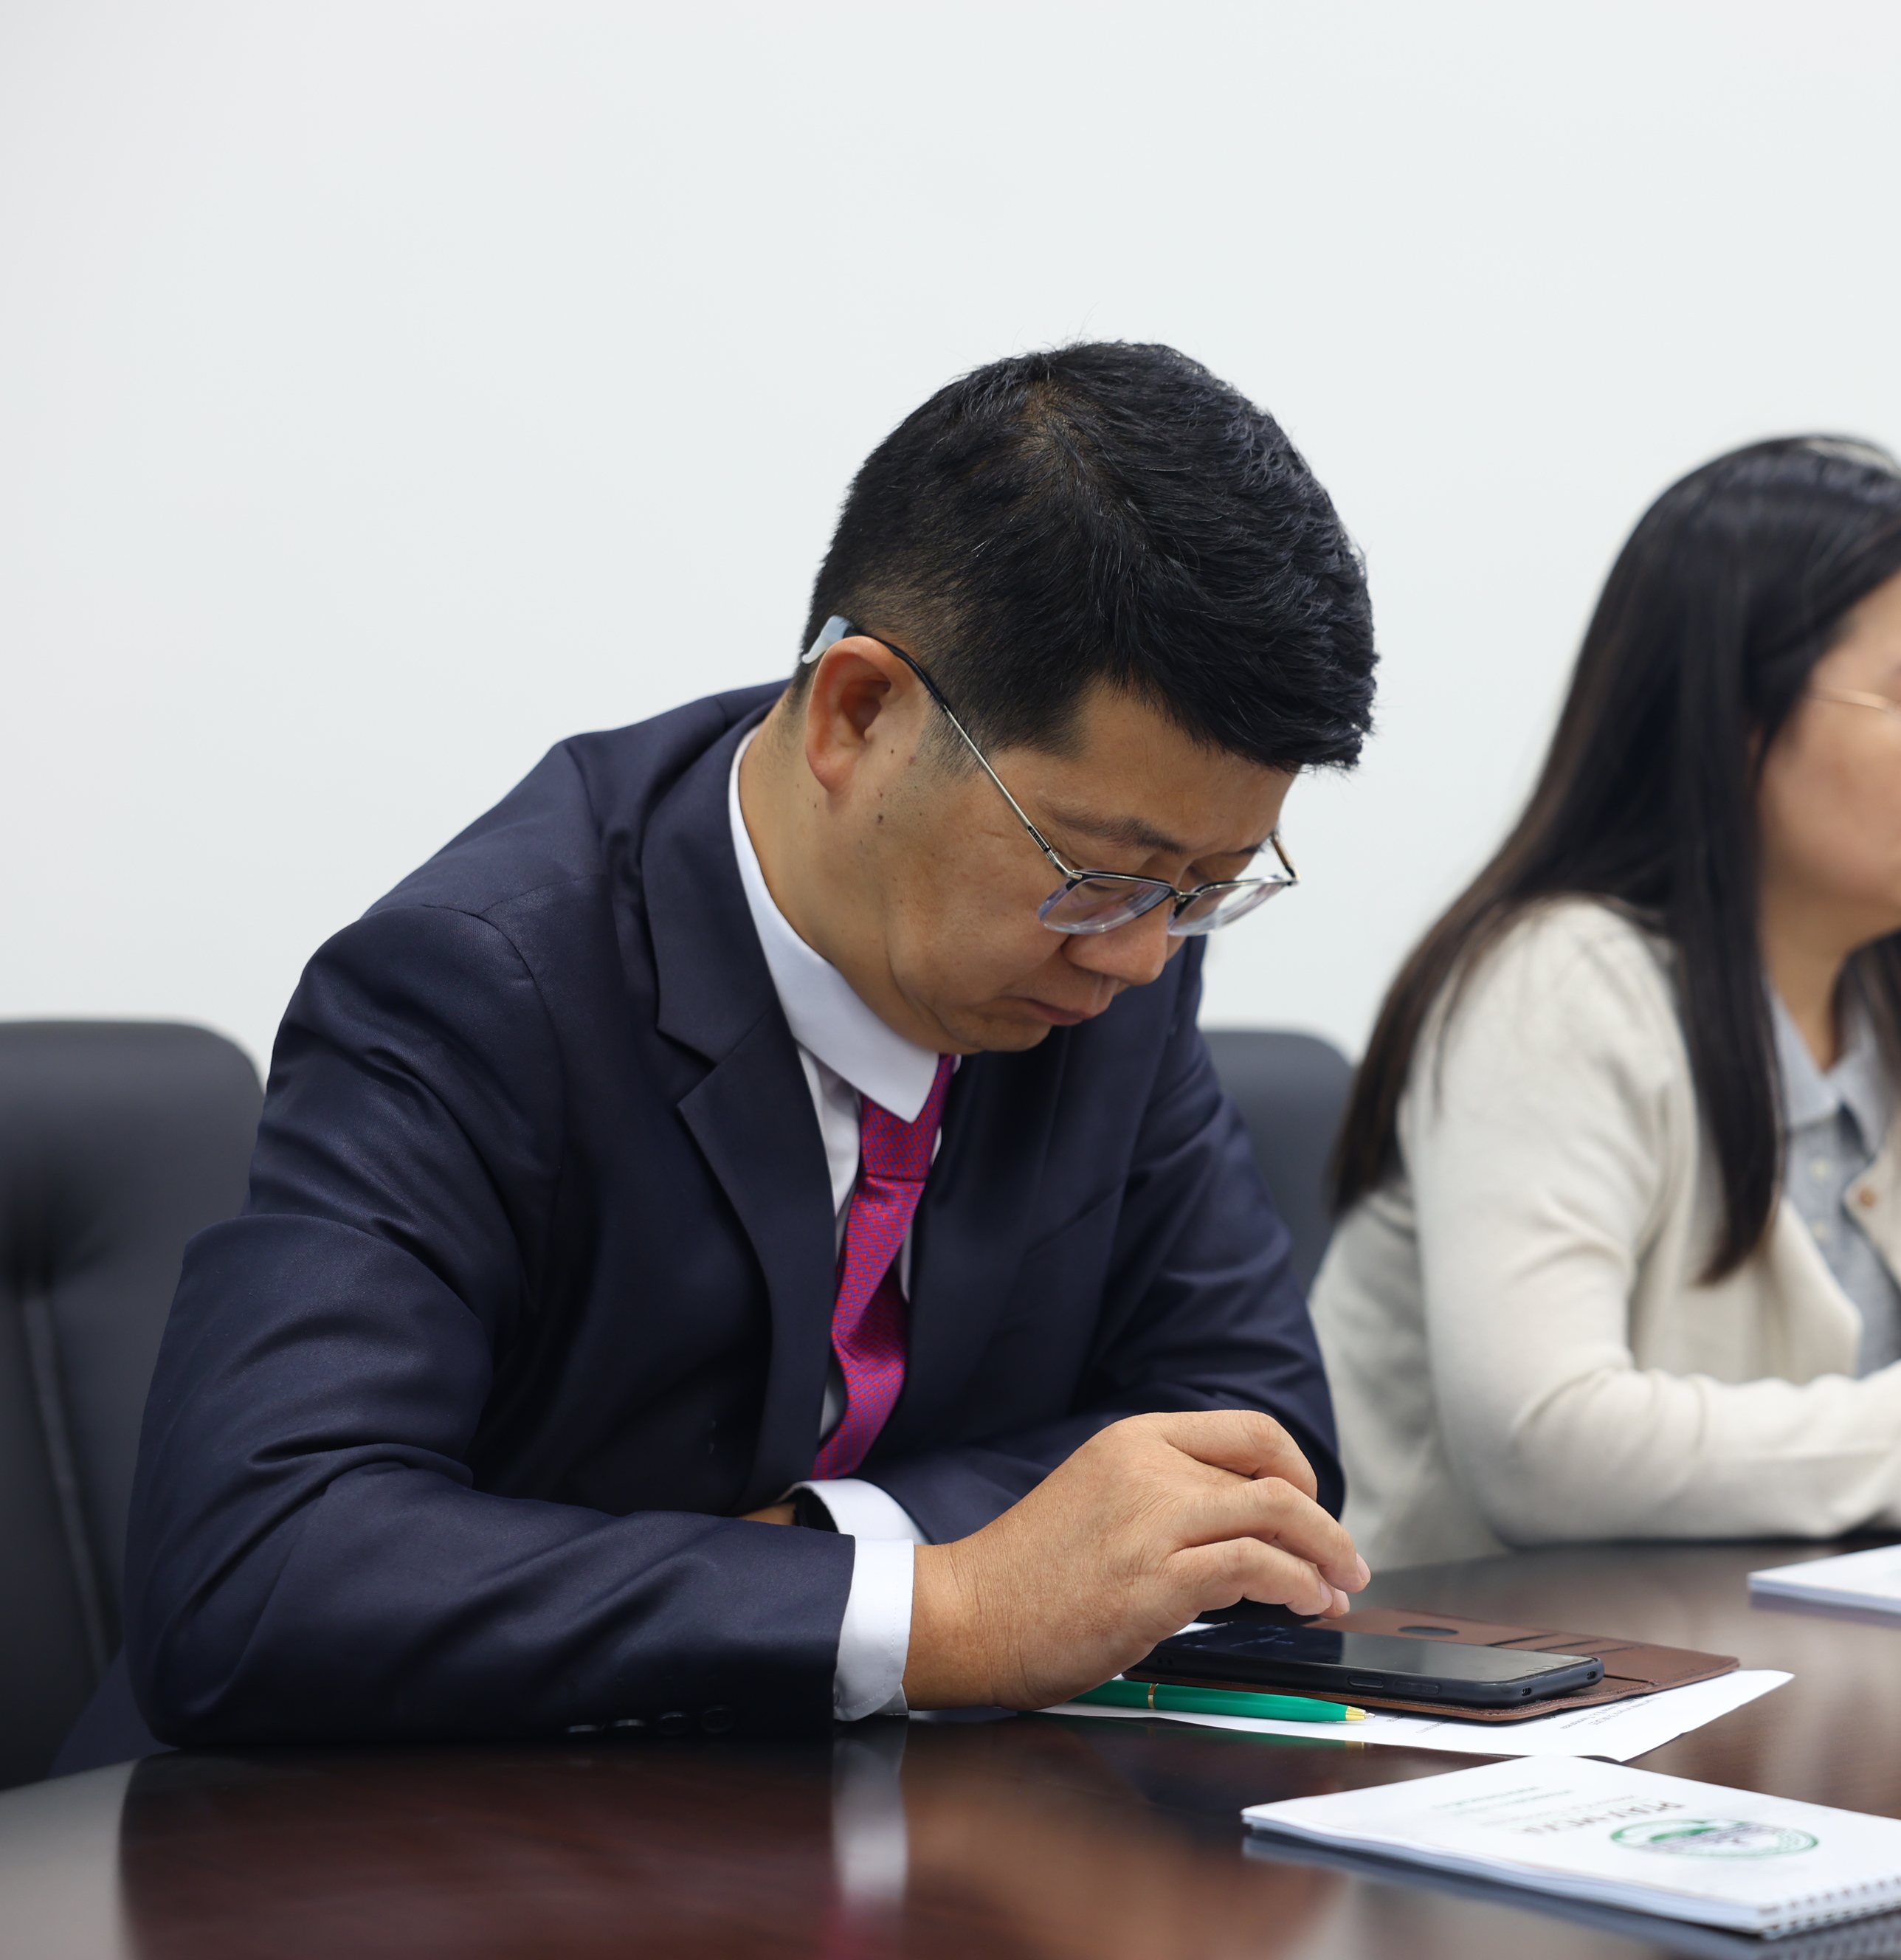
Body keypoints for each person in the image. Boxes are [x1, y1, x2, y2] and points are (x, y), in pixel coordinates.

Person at [112, 345, 1374, 1753]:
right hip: (356, 1828)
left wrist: (843, 1550)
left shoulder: (1111, 969)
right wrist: (940, 1609)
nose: (1141, 954)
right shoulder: (482, 984)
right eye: (1100, 872)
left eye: (1205, 888)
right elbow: (258, 1565)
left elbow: (1253, 1448)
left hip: (815, 1811)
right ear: (857, 713)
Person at [1312, 438, 1901, 1571]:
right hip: (1503, 1660)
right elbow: (1543, 1445)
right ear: (1735, 717)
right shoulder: (1558, 988)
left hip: (1809, 1646)